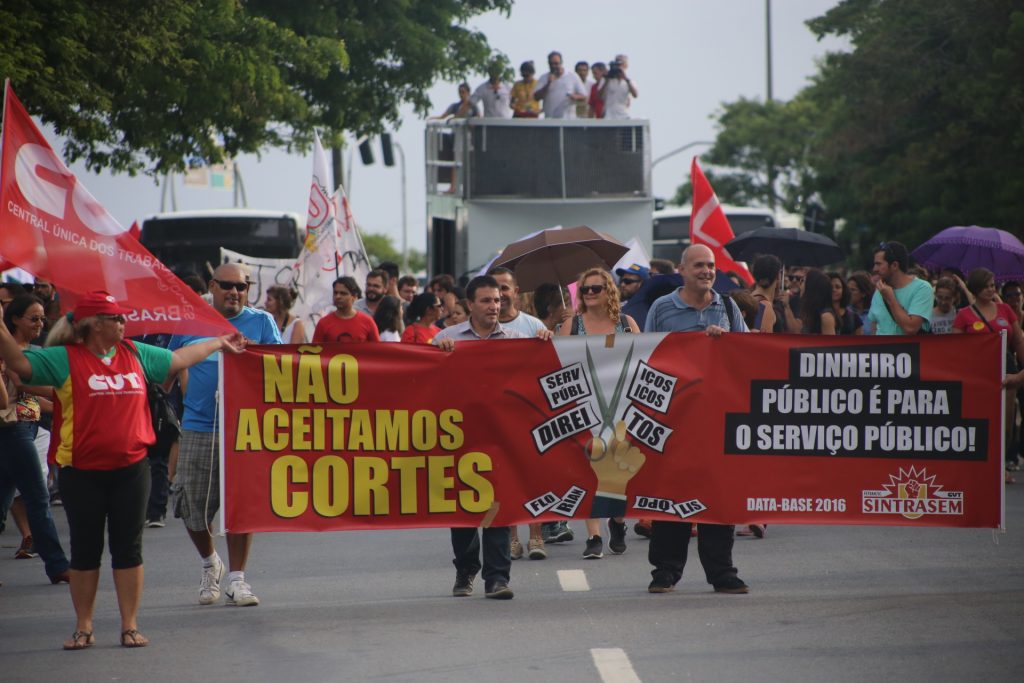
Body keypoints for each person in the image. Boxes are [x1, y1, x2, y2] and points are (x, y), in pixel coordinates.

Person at [0, 290, 245, 649]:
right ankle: (83, 627)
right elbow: (20, 366)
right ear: (94, 325)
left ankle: (129, 625)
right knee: (85, 551)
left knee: (128, 549)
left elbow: (178, 359)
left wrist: (218, 343)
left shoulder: (134, 353)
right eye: (115, 319)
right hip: (81, 471)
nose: (123, 323)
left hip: (131, 470)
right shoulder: (66, 359)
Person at [434, 275, 553, 599]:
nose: (494, 306)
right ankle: (466, 569)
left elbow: (539, 376)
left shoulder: (517, 339)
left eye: (498, 300)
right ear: (469, 305)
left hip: (501, 439)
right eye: (486, 301)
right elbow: (426, 383)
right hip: (459, 438)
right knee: (462, 513)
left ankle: (497, 578)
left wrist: (544, 343)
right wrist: (438, 354)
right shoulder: (446, 338)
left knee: (499, 506)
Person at [169, 264, 280, 610]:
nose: (234, 292)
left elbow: (282, 369)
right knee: (191, 507)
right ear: (213, 286)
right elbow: (170, 365)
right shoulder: (189, 321)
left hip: (245, 430)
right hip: (199, 425)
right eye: (227, 285)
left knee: (241, 507)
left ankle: (237, 579)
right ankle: (209, 563)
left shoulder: (262, 322)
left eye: (241, 286)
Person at [643, 244, 750, 595]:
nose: (707, 271)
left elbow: (749, 354)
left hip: (716, 419)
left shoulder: (728, 305)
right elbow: (647, 356)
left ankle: (722, 573)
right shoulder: (662, 308)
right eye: (700, 265)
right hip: (674, 419)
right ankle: (665, 571)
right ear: (682, 270)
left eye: (711, 265)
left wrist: (727, 342)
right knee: (669, 494)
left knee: (717, 496)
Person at [557, 268, 640, 559]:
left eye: (596, 288)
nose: (590, 294)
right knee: (587, 469)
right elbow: (560, 364)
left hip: (620, 405)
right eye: (585, 290)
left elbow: (644, 359)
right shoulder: (572, 325)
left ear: (609, 291)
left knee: (616, 468)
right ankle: (594, 535)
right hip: (584, 403)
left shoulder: (626, 324)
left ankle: (617, 521)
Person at [0, 294, 69, 583]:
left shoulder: (38, 351)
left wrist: (59, 405)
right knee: (38, 496)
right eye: (33, 318)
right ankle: (57, 566)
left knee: (4, 501)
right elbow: (19, 384)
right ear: (14, 319)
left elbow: (28, 400)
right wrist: (66, 395)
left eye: (42, 318)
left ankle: (56, 565)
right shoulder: (9, 348)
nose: (40, 323)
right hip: (12, 429)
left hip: (26, 426)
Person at [487, 267, 549, 558]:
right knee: (504, 480)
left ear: (515, 290)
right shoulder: (484, 326)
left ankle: (536, 536)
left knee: (532, 477)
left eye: (505, 287)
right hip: (496, 417)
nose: (500, 293)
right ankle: (511, 537)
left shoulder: (533, 325)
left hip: (529, 414)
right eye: (495, 288)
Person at [952, 268, 1024, 483]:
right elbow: (955, 348)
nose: (991, 289)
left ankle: (1000, 464)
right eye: (986, 286)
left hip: (1006, 370)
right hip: (978, 373)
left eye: (993, 285)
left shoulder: (1005, 310)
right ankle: (981, 465)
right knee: (981, 421)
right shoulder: (964, 314)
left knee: (1006, 424)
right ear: (976, 288)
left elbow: (1018, 340)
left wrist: (1022, 370)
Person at [868, 241, 933, 335]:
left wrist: (891, 299)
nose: (874, 269)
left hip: (910, 349)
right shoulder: (879, 289)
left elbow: (910, 329)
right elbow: (874, 325)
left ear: (894, 265)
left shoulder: (922, 288)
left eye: (879, 264)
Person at [314, 276, 381, 344]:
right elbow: (313, 352)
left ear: (354, 297)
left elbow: (378, 351)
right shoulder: (323, 323)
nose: (338, 297)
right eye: (335, 293)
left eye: (343, 293)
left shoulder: (368, 322)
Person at [534, 51, 588, 119]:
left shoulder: (572, 76)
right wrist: (548, 84)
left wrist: (574, 97)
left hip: (568, 120)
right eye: (551, 64)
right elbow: (536, 97)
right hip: (550, 120)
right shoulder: (544, 78)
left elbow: (584, 96)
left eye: (556, 63)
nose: (554, 66)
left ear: (561, 62)